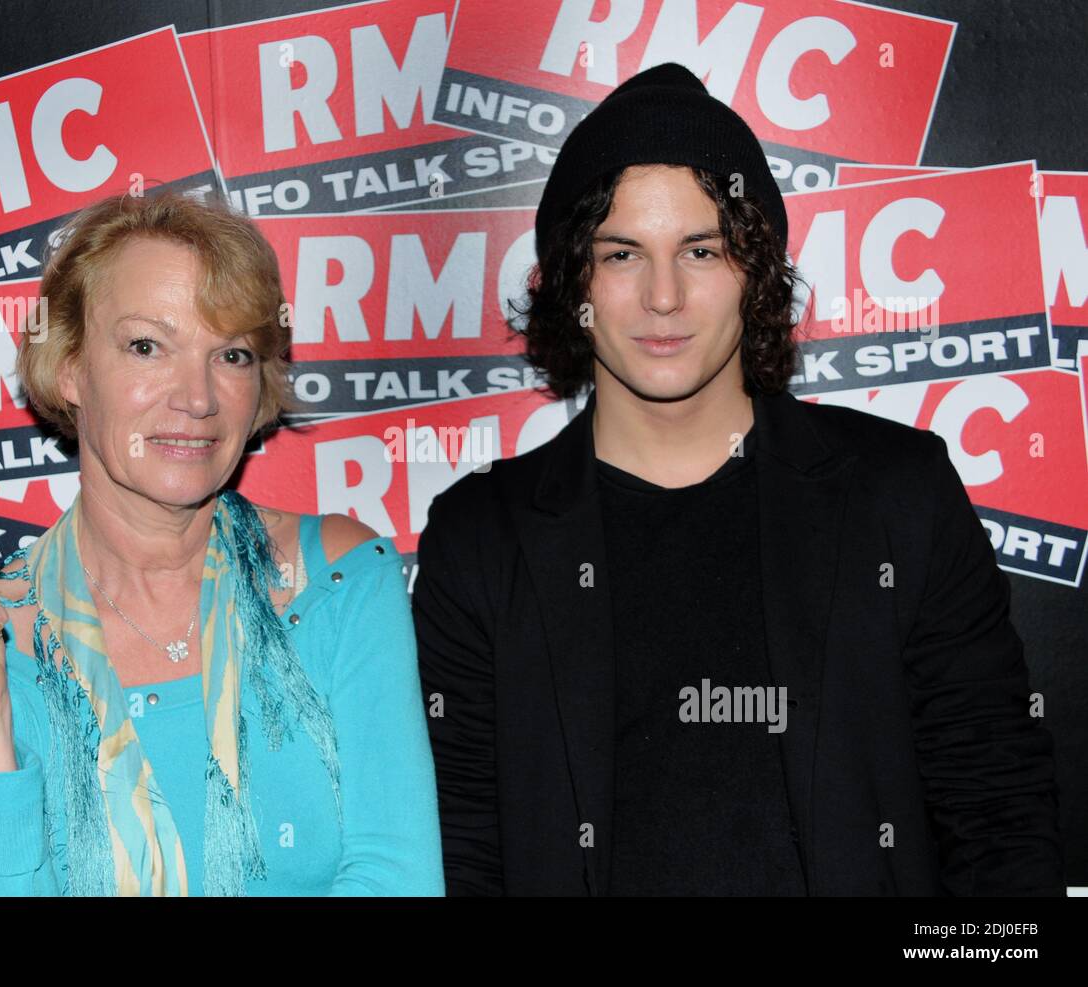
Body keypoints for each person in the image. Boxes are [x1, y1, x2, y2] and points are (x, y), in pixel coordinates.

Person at [411, 63, 1064, 896]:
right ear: (571, 277)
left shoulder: (899, 496)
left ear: (755, 269)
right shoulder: (482, 538)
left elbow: (999, 817)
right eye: (621, 253)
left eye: (701, 249)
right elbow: (462, 854)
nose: (663, 296)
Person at [0, 188, 444, 896]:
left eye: (233, 355)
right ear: (69, 367)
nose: (198, 397)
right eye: (147, 345)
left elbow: (397, 878)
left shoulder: (337, 583)